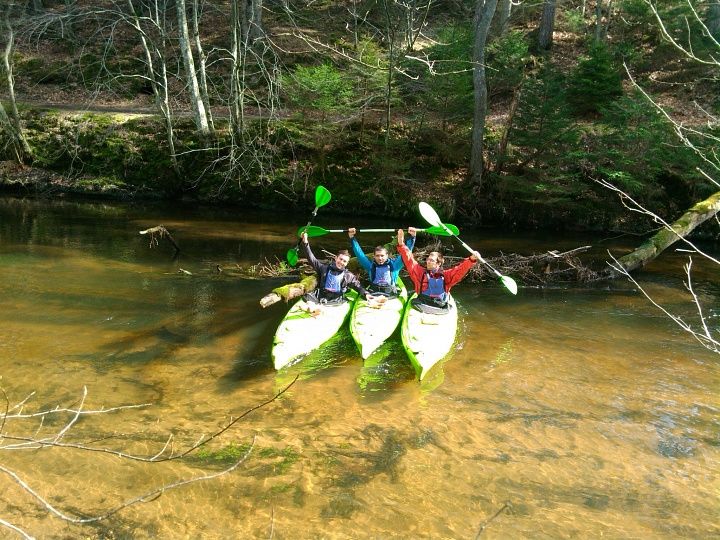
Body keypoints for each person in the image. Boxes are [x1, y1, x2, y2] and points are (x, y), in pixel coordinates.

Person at [396, 228, 480, 311]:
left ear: (439, 264)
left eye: (432, 260)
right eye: (428, 259)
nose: (428, 262)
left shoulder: (446, 275)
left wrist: (471, 259)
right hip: (423, 303)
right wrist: (401, 244)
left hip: (440, 306)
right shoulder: (420, 272)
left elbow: (460, 269)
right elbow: (409, 259)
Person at [300, 232, 370, 311]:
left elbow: (358, 286)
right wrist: (305, 242)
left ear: (347, 263)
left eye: (344, 261)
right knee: (307, 296)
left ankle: (315, 308)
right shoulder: (323, 268)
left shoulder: (348, 275)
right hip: (321, 296)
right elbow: (311, 258)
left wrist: (366, 294)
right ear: (336, 258)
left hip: (336, 300)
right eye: (340, 259)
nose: (341, 262)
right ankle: (314, 306)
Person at [347, 226, 417, 297]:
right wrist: (352, 238)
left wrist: (412, 237)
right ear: (374, 256)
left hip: (390, 294)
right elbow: (359, 254)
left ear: (387, 255)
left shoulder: (395, 266)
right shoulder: (370, 266)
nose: (380, 258)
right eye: (377, 256)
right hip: (374, 293)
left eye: (382, 256)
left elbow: (406, 253)